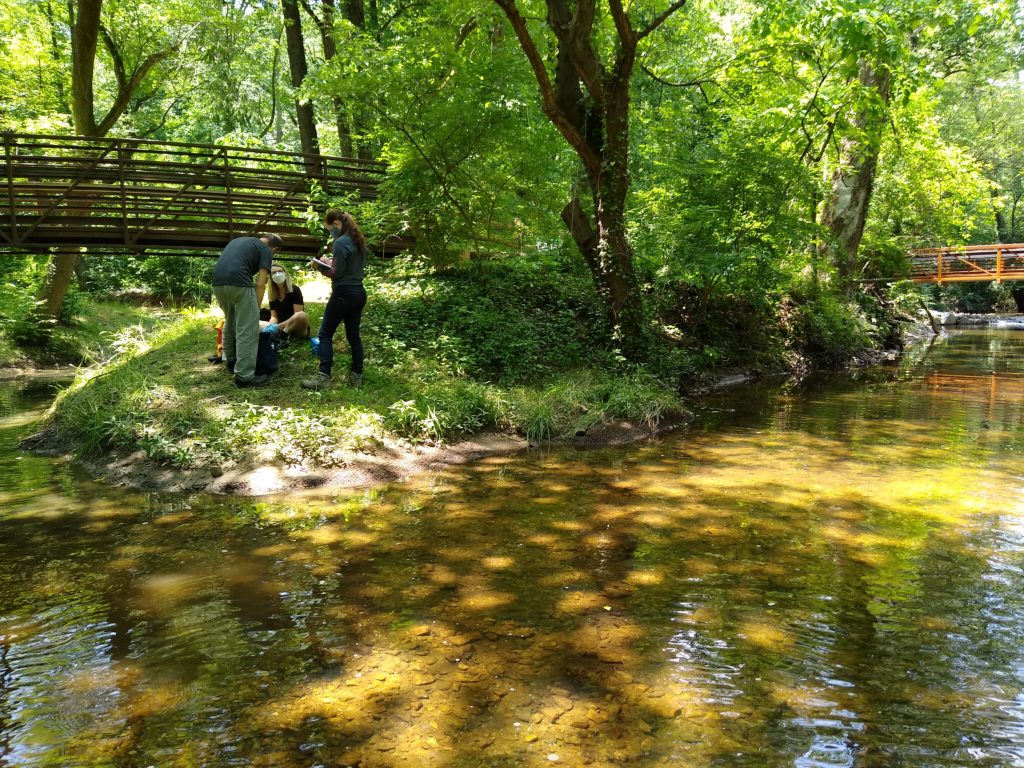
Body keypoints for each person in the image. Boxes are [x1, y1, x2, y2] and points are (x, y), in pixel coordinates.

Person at [302, 210, 367, 390]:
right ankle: (357, 376)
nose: (330, 232)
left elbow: (335, 274)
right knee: (354, 336)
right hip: (359, 292)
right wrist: (331, 263)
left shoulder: (340, 242)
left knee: (324, 334)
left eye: (330, 229)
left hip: (343, 293)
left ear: (337, 223)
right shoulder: (358, 240)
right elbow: (348, 267)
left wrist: (319, 267)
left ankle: (323, 378)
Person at [212, 233, 282, 387]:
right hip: (240, 284)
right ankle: (244, 377)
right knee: (248, 328)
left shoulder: (239, 241)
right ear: (274, 248)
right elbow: (261, 283)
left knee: (230, 320)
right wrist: (255, 309)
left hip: (218, 284)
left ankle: (229, 361)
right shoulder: (265, 250)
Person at [261, 262, 310, 344]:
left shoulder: (295, 290)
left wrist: (276, 327)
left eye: (280, 271)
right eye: (274, 273)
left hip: (296, 326)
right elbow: (274, 316)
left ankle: (283, 335)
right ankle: (279, 335)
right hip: (280, 326)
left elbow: (297, 315)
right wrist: (270, 326)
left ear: (285, 273)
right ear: (271, 277)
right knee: (258, 319)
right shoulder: (272, 294)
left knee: (302, 315)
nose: (277, 274)